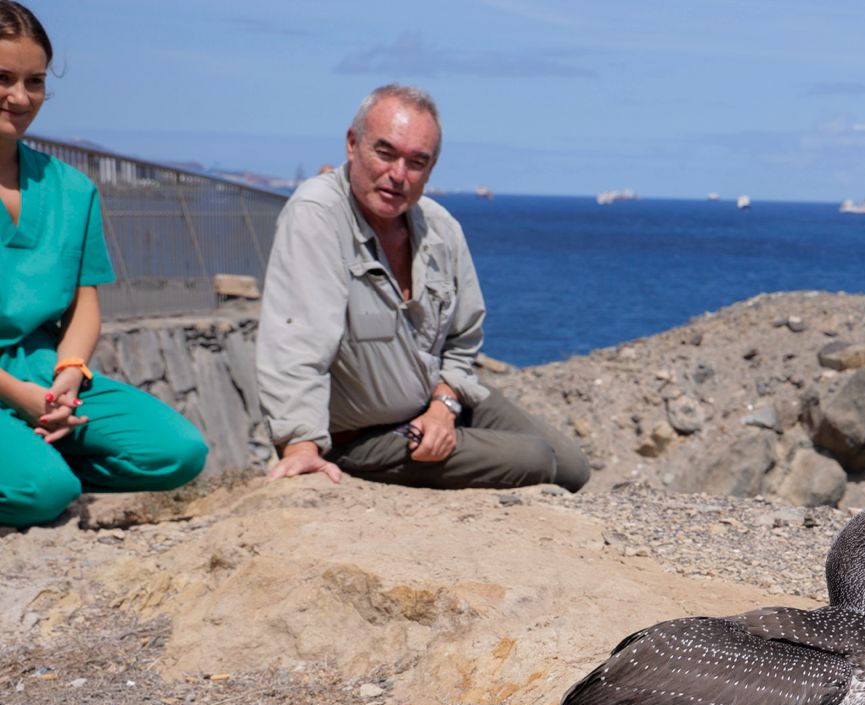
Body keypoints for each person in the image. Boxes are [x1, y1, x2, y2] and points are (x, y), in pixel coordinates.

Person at [256, 84, 589, 492]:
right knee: (535, 460)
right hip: (360, 436)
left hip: (433, 404)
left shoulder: (441, 228)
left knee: (572, 466)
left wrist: (444, 405)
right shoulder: (317, 216)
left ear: (431, 169)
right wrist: (300, 446)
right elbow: (296, 341)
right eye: (386, 153)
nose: (398, 175)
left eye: (416, 162)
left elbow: (463, 337)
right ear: (352, 143)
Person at [0, 2, 207, 528]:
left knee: (177, 452)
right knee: (44, 494)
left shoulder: (73, 189)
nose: (20, 97)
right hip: (14, 386)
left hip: (44, 375)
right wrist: (18, 396)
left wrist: (69, 372)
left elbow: (84, 301)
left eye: (34, 81)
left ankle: (34, 452)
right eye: (2, 78)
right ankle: (35, 466)